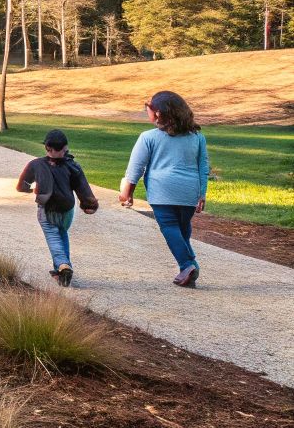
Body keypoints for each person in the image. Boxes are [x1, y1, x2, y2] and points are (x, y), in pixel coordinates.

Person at [119, 90, 211, 287]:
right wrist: (202, 193)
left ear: (158, 113)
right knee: (183, 227)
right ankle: (189, 267)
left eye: (149, 109)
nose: (147, 112)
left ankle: (188, 264)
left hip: (162, 191)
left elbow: (136, 167)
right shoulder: (197, 137)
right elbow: (203, 167)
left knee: (169, 226)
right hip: (189, 190)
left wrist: (127, 192)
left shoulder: (148, 137)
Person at [17, 128, 99, 286]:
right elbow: (83, 188)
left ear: (47, 148)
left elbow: (21, 186)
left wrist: (30, 189)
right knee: (61, 233)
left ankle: (63, 264)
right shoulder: (73, 166)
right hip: (68, 209)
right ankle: (63, 273)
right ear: (65, 147)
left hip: (47, 209)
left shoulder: (36, 164)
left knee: (53, 236)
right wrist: (89, 205)